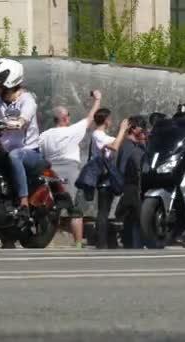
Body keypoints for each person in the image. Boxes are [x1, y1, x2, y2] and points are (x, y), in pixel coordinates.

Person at [39, 90, 102, 248]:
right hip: (69, 170)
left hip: (50, 171)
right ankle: (79, 243)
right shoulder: (71, 131)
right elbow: (91, 117)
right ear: (65, 118)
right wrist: (98, 99)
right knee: (74, 208)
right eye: (69, 115)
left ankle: (47, 241)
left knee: (50, 208)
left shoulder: (44, 136)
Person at [0, 58, 42, 218]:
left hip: (29, 152)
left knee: (15, 155)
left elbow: (24, 119)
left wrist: (18, 122)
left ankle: (24, 203)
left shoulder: (27, 100)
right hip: (4, 150)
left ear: (9, 80)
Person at [91, 109, 130, 249]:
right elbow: (114, 146)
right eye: (110, 118)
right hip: (103, 177)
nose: (111, 121)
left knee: (106, 209)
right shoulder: (97, 134)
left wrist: (125, 131)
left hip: (108, 177)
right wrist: (122, 129)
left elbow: (118, 142)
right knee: (103, 210)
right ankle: (101, 242)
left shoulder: (103, 135)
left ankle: (106, 240)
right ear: (106, 120)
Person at [115, 115, 147, 249]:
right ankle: (134, 244)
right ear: (133, 129)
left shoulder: (134, 146)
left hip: (132, 186)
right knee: (137, 216)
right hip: (131, 186)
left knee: (132, 217)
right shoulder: (128, 146)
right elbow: (121, 168)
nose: (145, 130)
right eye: (142, 127)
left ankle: (132, 243)